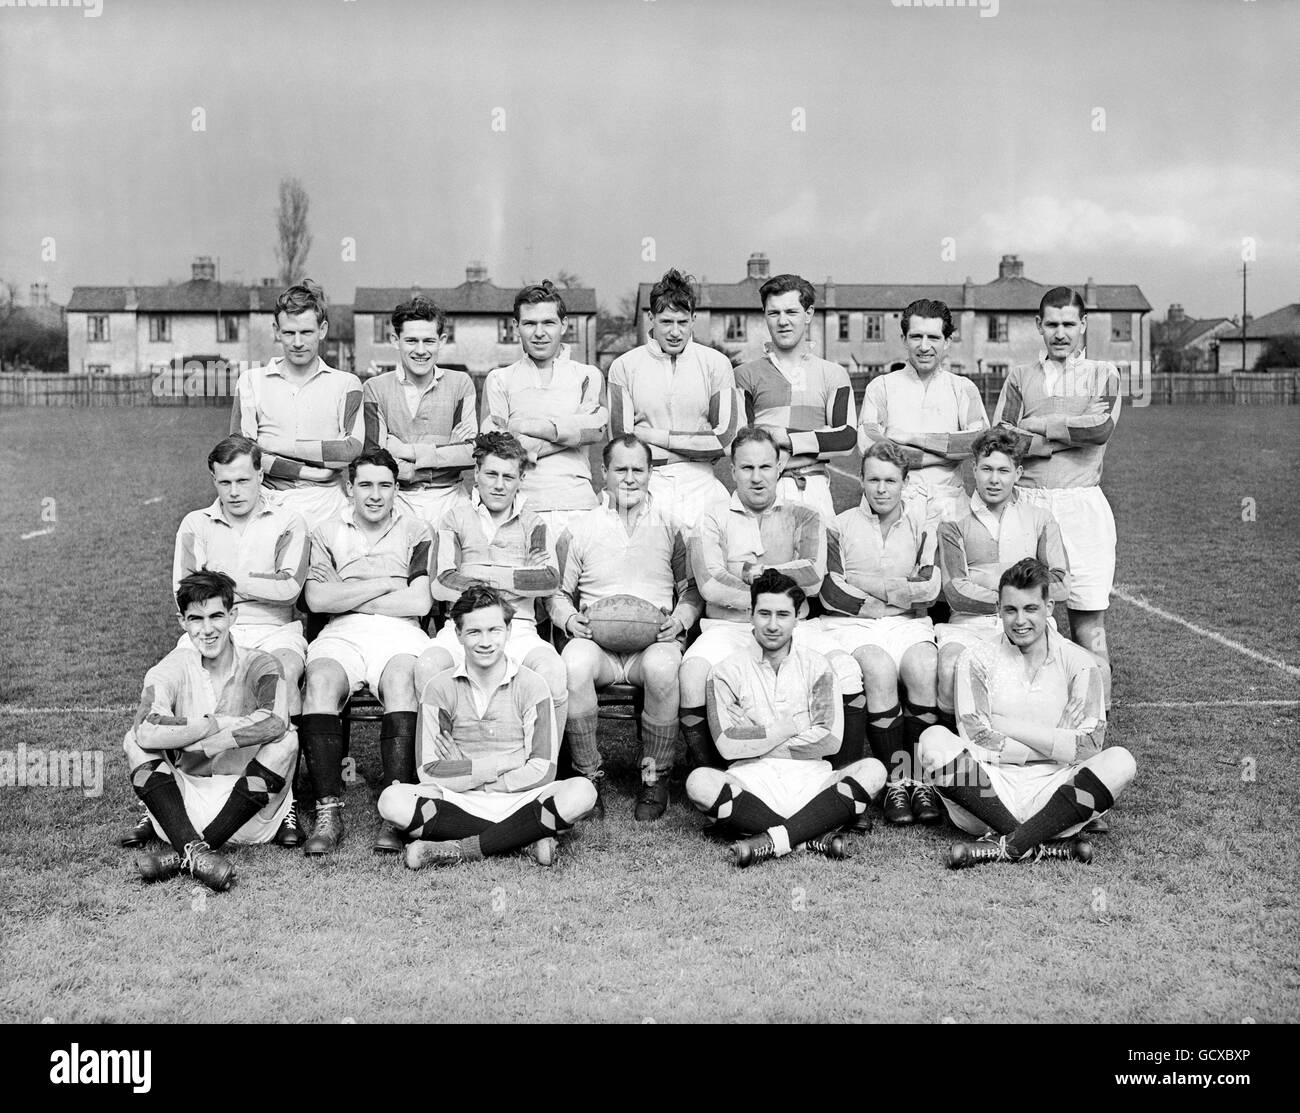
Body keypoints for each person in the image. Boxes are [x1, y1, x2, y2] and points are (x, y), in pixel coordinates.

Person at [918, 558, 1136, 868]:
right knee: (933, 739)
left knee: (1121, 761)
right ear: (999, 607)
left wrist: (1005, 725)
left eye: (1030, 609)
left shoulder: (1081, 663)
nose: (1020, 620)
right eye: (1011, 610)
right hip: (988, 793)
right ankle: (1035, 841)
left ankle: (1011, 844)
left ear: (1048, 607)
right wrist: (1058, 743)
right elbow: (978, 741)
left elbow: (1089, 747)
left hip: (1057, 792)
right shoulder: (976, 659)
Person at [680, 425, 865, 772]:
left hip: (797, 626)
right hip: (728, 626)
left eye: (765, 467)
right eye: (747, 468)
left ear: (780, 468)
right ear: (732, 470)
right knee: (692, 675)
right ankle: (713, 777)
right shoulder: (711, 517)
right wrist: (776, 588)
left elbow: (811, 576)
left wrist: (752, 571)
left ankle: (845, 778)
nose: (756, 477)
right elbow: (710, 584)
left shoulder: (805, 514)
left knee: (847, 670)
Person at [377, 585, 597, 869]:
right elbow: (429, 771)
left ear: (508, 631)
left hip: (521, 797)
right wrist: (506, 762)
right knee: (391, 801)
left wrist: (467, 768)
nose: (485, 641)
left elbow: (543, 769)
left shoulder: (532, 685)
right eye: (474, 632)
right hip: (459, 798)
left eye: (494, 630)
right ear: (458, 634)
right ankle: (526, 839)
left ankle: (461, 848)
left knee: (583, 792)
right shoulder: (439, 688)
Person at [685, 569, 887, 867]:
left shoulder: (818, 666)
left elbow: (829, 741)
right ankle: (812, 835)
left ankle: (772, 839)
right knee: (699, 782)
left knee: (873, 770)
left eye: (782, 615)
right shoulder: (725, 671)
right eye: (764, 613)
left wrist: (756, 736)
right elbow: (727, 746)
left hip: (813, 782)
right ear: (750, 614)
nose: (773, 625)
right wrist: (791, 726)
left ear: (797, 617)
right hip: (751, 782)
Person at [550, 434, 703, 821]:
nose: (630, 478)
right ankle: (589, 776)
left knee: (664, 668)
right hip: (598, 644)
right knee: (573, 665)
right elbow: (556, 594)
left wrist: (680, 620)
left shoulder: (672, 527)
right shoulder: (580, 528)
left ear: (651, 473)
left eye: (638, 469)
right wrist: (569, 618)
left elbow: (691, 592)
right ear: (604, 473)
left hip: (652, 642)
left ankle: (655, 776)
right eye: (621, 469)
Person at [125, 571, 298, 892]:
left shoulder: (262, 663)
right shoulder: (170, 667)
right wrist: (210, 724)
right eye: (196, 619)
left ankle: (183, 854)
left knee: (288, 739)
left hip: (251, 812)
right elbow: (146, 730)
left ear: (233, 615)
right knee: (132, 741)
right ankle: (195, 850)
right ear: (182, 621)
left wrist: (201, 737)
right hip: (182, 810)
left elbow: (275, 722)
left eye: (216, 616)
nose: (207, 629)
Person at [298, 449, 433, 856]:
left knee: (401, 680)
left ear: (396, 489)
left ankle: (398, 811)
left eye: (385, 486)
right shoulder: (324, 531)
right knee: (319, 681)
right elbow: (318, 600)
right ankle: (328, 811)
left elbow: (421, 604)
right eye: (366, 485)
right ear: (349, 487)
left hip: (400, 630)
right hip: (342, 631)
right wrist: (387, 584)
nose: (375, 495)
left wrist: (347, 590)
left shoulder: (418, 529)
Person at [992, 287, 1121, 703]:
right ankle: (1027, 715)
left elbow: (1098, 430)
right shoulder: (1019, 376)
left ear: (1083, 325)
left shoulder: (1105, 373)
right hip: (1027, 505)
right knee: (1021, 618)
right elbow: (1004, 439)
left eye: (1069, 324)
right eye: (1052, 324)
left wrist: (1039, 424)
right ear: (1038, 327)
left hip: (1081, 505)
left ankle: (1093, 725)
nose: (1060, 333)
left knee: (1089, 626)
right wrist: (1067, 433)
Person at [814, 441, 941, 826]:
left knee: (922, 666)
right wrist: (891, 594)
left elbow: (928, 589)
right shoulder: (838, 524)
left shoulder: (924, 526)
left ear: (905, 482)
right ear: (861, 480)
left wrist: (866, 582)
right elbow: (832, 588)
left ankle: (921, 781)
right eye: (873, 479)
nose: (881, 489)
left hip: (907, 621)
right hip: (853, 624)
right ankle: (895, 783)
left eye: (890, 480)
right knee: (880, 669)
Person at [420, 431, 568, 740]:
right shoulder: (453, 519)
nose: (499, 485)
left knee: (552, 670)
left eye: (508, 476)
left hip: (519, 628)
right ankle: (442, 768)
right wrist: (515, 576)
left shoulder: (534, 523)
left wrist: (476, 573)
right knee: (429, 665)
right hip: (462, 628)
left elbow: (547, 579)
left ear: (520, 478)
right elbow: (442, 583)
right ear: (476, 473)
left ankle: (543, 770)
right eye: (491, 474)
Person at [935, 427, 1070, 727]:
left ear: (1018, 473)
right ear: (974, 470)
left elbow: (1061, 583)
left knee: (1049, 673)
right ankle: (955, 752)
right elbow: (955, 590)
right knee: (949, 666)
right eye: (986, 469)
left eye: (1003, 470)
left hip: (1029, 623)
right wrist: (1013, 602)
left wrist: (1018, 610)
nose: (994, 479)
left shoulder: (1040, 518)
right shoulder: (953, 521)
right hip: (970, 625)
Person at [606, 268, 739, 530]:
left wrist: (652, 436)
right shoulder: (623, 366)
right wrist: (695, 451)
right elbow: (622, 441)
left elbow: (725, 437)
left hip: (702, 482)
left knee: (705, 567)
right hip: (648, 483)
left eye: (683, 322)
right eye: (666, 322)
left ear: (694, 319)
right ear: (651, 318)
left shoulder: (716, 364)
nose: (675, 332)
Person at [230, 279, 365, 530]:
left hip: (328, 508)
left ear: (322, 330)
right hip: (268, 504)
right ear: (276, 330)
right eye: (289, 333)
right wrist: (311, 472)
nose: (298, 342)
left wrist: (273, 445)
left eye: (307, 332)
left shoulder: (347, 384)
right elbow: (243, 457)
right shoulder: (250, 381)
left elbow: (349, 450)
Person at [481, 280, 608, 536]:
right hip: (520, 507)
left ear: (564, 324)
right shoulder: (499, 379)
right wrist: (570, 435)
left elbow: (596, 428)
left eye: (548, 323)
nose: (539, 333)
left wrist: (529, 430)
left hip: (578, 505)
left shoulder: (588, 375)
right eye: (530, 323)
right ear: (516, 326)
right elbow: (494, 445)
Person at [733, 273, 857, 520]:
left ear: (808, 314)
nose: (782, 321)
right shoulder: (743, 375)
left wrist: (783, 436)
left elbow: (846, 438)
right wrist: (818, 437)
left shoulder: (833, 374)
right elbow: (740, 442)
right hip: (761, 491)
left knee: (819, 558)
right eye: (773, 313)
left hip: (814, 489)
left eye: (791, 312)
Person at [857, 298, 989, 523]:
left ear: (947, 341)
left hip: (949, 506)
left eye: (934, 337)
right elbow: (871, 446)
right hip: (893, 504)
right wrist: (945, 456)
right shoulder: (881, 386)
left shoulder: (963, 387)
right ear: (904, 339)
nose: (924, 346)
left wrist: (912, 439)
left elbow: (979, 441)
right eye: (916, 336)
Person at [362, 294, 478, 533]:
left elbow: (470, 453)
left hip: (451, 497)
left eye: (429, 341)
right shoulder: (374, 388)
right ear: (395, 340)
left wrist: (406, 451)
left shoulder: (461, 384)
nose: (421, 350)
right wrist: (445, 449)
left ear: (442, 340)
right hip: (398, 498)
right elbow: (375, 455)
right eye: (411, 341)